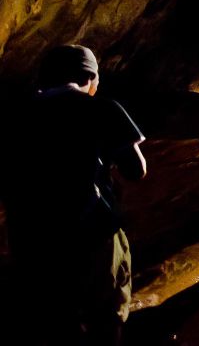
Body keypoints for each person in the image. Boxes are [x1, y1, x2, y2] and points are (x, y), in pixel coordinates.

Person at [2, 45, 147, 345]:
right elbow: (135, 170)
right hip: (91, 233)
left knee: (54, 318)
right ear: (91, 77)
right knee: (105, 316)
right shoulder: (102, 108)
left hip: (30, 237)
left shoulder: (15, 115)